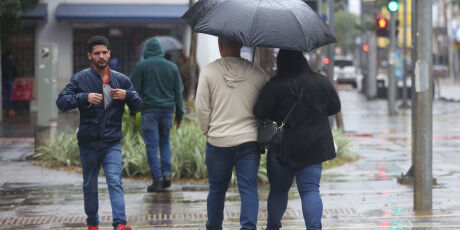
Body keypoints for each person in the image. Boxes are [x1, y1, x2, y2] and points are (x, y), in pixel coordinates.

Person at [56, 35, 142, 230]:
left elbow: (138, 105)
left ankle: (120, 223)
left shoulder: (121, 79)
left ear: (109, 53)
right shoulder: (80, 78)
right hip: (88, 142)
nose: (101, 56)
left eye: (104, 52)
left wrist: (127, 95)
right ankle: (92, 224)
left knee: (114, 180)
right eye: (97, 53)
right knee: (89, 184)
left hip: (112, 141)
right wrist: (83, 97)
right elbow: (61, 101)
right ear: (90, 56)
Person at [253, 49, 341, 230]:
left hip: (282, 149)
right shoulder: (321, 82)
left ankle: (273, 226)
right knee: (310, 190)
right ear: (303, 60)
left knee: (278, 191)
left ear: (280, 63)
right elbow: (334, 107)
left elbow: (259, 112)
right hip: (313, 148)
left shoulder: (275, 84)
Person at [195, 37, 269, 230]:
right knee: (248, 188)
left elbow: (202, 108)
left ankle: (213, 227)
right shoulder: (258, 74)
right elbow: (265, 109)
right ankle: (248, 227)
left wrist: (207, 131)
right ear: (241, 45)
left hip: (218, 141)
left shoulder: (209, 72)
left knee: (217, 189)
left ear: (220, 46)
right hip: (249, 141)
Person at [130, 37, 184, 192]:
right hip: (167, 112)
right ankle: (166, 175)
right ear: (161, 51)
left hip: (149, 112)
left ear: (146, 51)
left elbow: (134, 91)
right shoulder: (172, 67)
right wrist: (179, 115)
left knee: (152, 146)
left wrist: (133, 112)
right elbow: (178, 94)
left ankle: (157, 180)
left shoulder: (141, 66)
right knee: (165, 142)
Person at [2, 50, 19, 117]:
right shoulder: (12, 61)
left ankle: (3, 110)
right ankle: (10, 110)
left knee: (3, 95)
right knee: (9, 95)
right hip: (10, 79)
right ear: (10, 55)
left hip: (3, 79)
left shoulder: (2, 61)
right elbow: (16, 71)